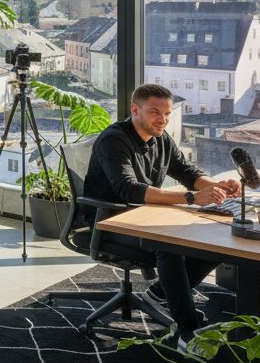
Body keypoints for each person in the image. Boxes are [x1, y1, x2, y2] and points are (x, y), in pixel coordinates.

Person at [83, 83, 241, 346]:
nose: (163, 120)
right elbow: (129, 189)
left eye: (167, 114)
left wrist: (216, 187)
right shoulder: (114, 139)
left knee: (216, 237)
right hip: (110, 223)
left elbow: (187, 172)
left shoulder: (160, 138)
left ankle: (158, 294)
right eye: (155, 112)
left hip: (144, 218)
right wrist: (191, 198)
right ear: (135, 110)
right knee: (170, 247)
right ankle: (186, 333)